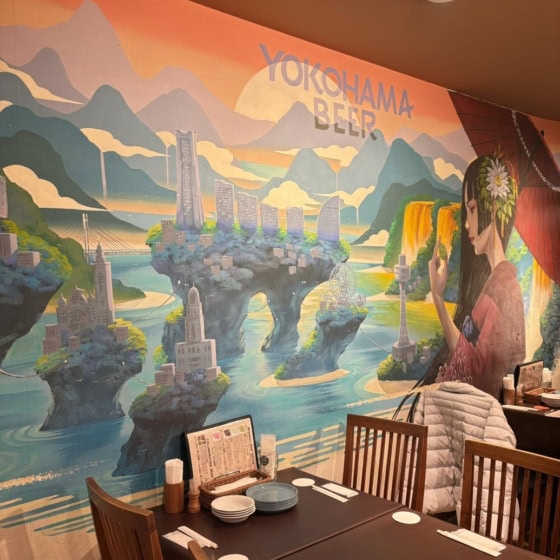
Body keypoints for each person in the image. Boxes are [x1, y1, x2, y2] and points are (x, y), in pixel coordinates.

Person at [428, 153, 526, 400]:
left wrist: (438, 300)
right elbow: (469, 357)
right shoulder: (496, 282)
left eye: (471, 209)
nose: (466, 224)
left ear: (493, 207)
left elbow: (476, 371)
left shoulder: (503, 287)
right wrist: (437, 297)